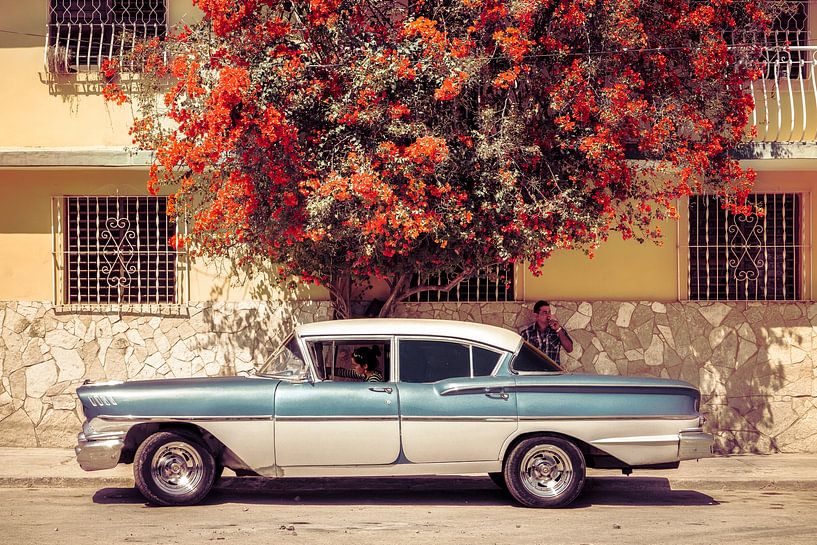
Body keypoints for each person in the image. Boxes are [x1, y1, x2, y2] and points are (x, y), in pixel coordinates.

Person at [520, 300, 573, 365]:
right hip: (534, 373)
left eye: (549, 312)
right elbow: (521, 357)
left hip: (553, 373)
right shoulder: (526, 333)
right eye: (545, 313)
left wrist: (558, 330)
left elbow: (570, 349)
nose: (548, 316)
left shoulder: (558, 330)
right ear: (536, 316)